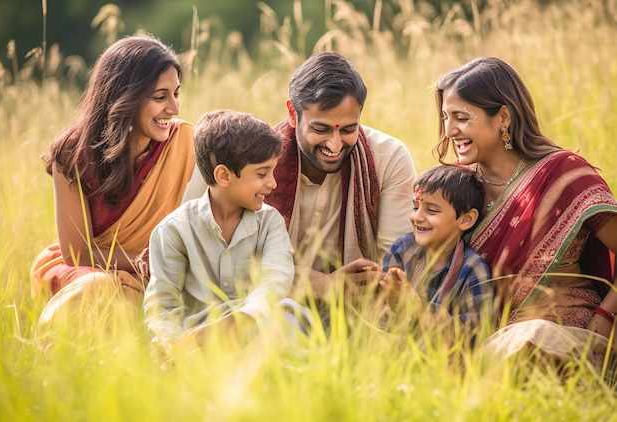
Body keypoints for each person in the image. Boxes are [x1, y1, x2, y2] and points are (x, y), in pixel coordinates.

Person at [183, 51, 417, 304]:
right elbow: (199, 254)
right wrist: (319, 284)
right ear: (293, 114)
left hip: (359, 310)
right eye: (320, 128)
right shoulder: (238, 160)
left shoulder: (388, 158)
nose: (335, 144)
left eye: (349, 129)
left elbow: (394, 266)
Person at [433, 56, 617, 370]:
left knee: (531, 338)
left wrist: (606, 314)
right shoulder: (456, 187)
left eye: (461, 117)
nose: (449, 131)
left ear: (503, 116)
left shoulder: (564, 175)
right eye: (446, 117)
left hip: (561, 334)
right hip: (483, 335)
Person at [30, 35, 195, 326]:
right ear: (125, 98)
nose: (174, 108)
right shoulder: (72, 153)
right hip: (86, 270)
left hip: (159, 272)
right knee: (99, 291)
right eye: (160, 97)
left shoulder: (182, 142)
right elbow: (76, 253)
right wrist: (148, 262)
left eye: (176, 94)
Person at [143, 110, 294, 349]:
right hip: (197, 342)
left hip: (255, 330)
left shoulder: (270, 222)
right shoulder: (174, 230)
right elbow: (163, 306)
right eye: (262, 173)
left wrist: (237, 322)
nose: (273, 183)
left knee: (291, 314)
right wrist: (172, 346)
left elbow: (276, 281)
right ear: (224, 175)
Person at [380, 164, 492, 327]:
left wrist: (420, 310)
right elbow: (377, 306)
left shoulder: (472, 268)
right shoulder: (403, 248)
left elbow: (475, 330)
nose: (417, 217)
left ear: (466, 219)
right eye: (415, 207)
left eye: (431, 210)